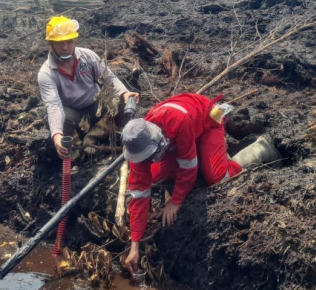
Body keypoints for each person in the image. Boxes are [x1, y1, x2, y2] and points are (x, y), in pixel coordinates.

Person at [120, 93, 242, 273]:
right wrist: (134, 246)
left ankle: (238, 159)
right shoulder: (138, 147)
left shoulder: (178, 120)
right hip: (178, 140)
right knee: (157, 175)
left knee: (215, 177)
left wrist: (175, 201)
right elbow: (139, 194)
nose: (147, 160)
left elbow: (188, 167)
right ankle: (206, 155)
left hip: (207, 122)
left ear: (156, 139)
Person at [37, 15, 139, 159]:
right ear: (51, 44)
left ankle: (103, 135)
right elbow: (53, 105)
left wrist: (125, 93)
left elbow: (109, 78)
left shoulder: (88, 56)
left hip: (95, 106)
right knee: (62, 122)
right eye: (60, 44)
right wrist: (57, 135)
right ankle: (76, 151)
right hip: (72, 112)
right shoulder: (46, 73)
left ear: (75, 41)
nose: (65, 48)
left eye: (69, 42)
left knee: (122, 101)